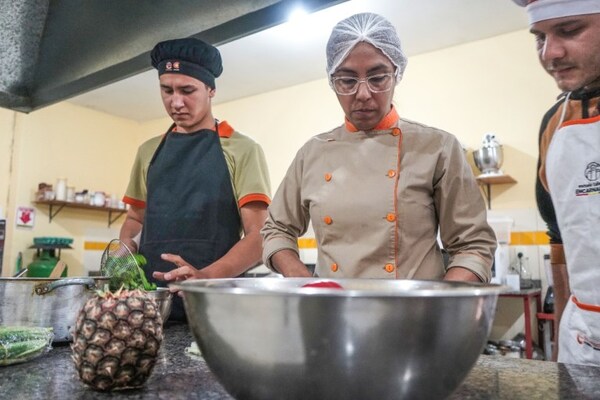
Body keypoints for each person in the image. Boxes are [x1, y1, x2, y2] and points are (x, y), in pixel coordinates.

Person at [261, 13, 496, 282]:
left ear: (397, 74)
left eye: (378, 77)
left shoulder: (438, 147)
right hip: (333, 315)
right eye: (347, 81)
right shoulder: (312, 153)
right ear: (331, 81)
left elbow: (472, 245)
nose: (363, 94)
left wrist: (436, 310)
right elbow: (276, 229)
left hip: (413, 316)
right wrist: (305, 283)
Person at [120, 37, 271, 321]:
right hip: (148, 304)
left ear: (211, 89)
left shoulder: (242, 149)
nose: (176, 102)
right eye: (167, 90)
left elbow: (259, 237)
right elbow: (135, 219)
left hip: (213, 306)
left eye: (187, 90)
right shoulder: (148, 151)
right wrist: (124, 248)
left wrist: (204, 277)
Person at [511, 0, 600, 365]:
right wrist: (564, 355)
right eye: (539, 37)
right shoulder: (556, 124)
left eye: (569, 30)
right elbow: (560, 242)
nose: (551, 54)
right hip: (586, 345)